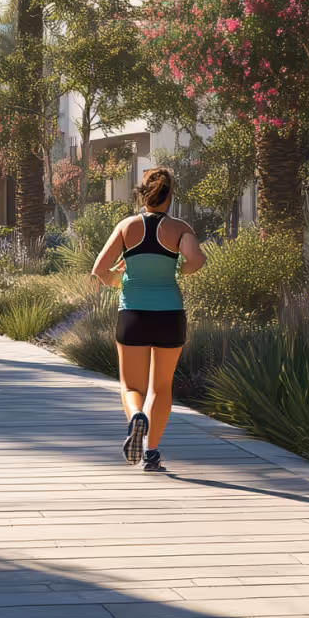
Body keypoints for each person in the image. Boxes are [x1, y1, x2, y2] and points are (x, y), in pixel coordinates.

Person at [89, 168, 204, 472]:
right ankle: (152, 452)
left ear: (143, 194)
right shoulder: (180, 228)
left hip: (134, 315)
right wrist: (180, 270)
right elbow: (196, 260)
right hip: (170, 316)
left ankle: (136, 416)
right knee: (162, 386)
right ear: (170, 195)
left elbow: (100, 270)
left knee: (131, 387)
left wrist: (122, 278)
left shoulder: (127, 227)